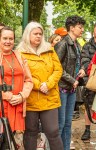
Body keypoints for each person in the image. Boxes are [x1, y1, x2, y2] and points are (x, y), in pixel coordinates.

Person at [17, 21, 63, 150]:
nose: (38, 36)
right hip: (31, 98)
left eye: (40, 34)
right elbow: (22, 74)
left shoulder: (49, 49)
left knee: (53, 132)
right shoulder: (20, 52)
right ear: (28, 35)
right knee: (31, 132)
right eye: (35, 34)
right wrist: (39, 85)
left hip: (50, 97)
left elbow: (58, 69)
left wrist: (48, 85)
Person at [54, 15, 86, 150]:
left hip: (71, 90)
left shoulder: (77, 44)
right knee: (60, 124)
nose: (82, 30)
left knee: (68, 123)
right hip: (61, 89)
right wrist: (72, 80)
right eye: (80, 27)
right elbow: (56, 67)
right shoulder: (62, 43)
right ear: (71, 28)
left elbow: (77, 63)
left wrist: (82, 70)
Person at [0, 26, 33, 147]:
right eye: (4, 38)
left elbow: (29, 80)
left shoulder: (19, 56)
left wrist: (22, 96)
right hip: (2, 107)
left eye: (11, 38)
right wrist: (8, 96)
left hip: (18, 105)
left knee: (14, 143)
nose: (8, 41)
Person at [81, 23, 96, 141]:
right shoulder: (87, 46)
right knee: (89, 106)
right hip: (91, 79)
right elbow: (85, 62)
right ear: (93, 33)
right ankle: (87, 129)